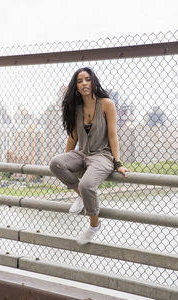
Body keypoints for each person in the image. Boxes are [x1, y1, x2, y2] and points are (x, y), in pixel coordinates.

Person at [50, 67, 130, 245]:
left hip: (102, 155)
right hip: (82, 153)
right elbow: (73, 137)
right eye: (79, 81)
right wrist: (67, 160)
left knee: (87, 185)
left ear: (93, 82)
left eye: (87, 79)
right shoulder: (76, 108)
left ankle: (94, 225)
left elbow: (112, 135)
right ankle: (81, 196)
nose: (84, 83)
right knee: (55, 163)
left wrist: (117, 163)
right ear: (76, 86)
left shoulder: (107, 104)